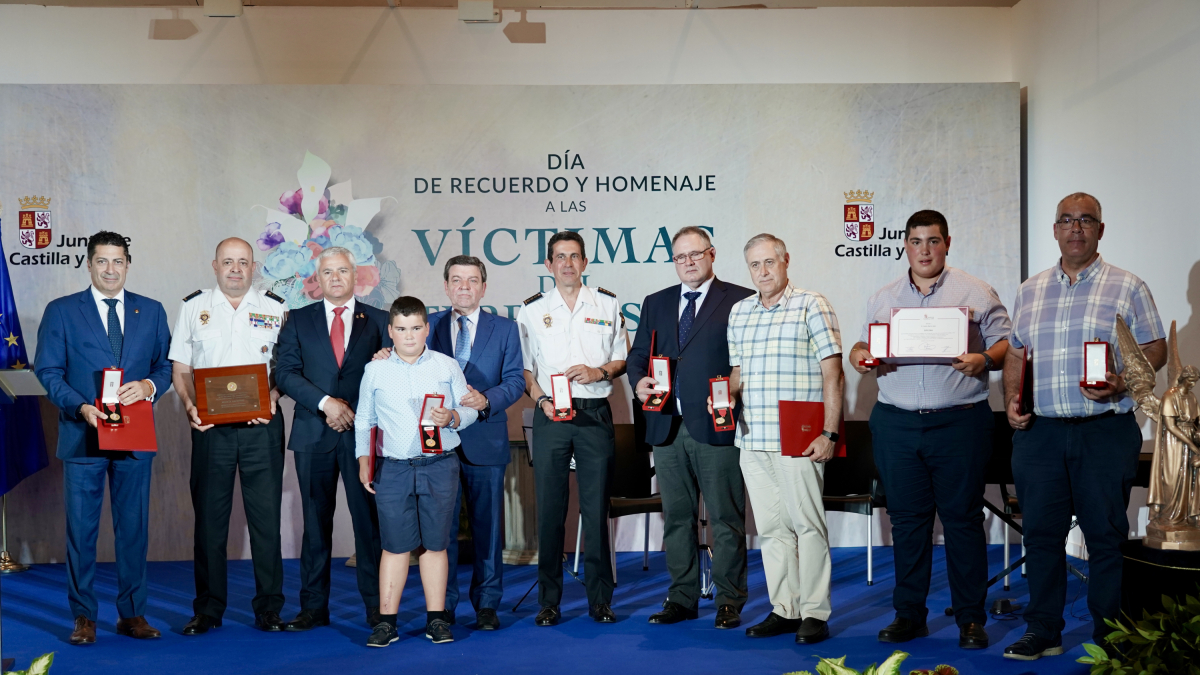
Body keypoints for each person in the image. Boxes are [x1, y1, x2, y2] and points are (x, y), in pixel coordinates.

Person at [1002, 192, 1166, 661]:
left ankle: (1111, 633)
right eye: (1067, 220)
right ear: (1055, 230)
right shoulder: (1030, 289)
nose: (1076, 228)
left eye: (1086, 220)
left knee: (1105, 535)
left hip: (1104, 431)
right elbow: (1016, 351)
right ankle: (1043, 630)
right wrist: (1012, 400)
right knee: (1041, 534)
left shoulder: (1128, 286)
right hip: (1041, 434)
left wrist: (1123, 381)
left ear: (1100, 230)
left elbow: (1155, 347)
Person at [848, 210, 1010, 650]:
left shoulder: (975, 291)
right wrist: (861, 355)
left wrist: (986, 360)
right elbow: (863, 345)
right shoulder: (884, 296)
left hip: (959, 422)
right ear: (905, 245)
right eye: (916, 241)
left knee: (961, 521)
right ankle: (909, 615)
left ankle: (971, 620)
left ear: (947, 243)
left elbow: (1005, 342)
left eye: (933, 241)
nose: (924, 249)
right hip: (897, 421)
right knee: (907, 523)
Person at [34, 231, 173, 645]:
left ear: (128, 264)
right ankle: (84, 617)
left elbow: (165, 366)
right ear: (89, 264)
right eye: (102, 262)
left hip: (135, 433)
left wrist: (149, 386)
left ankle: (132, 614)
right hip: (83, 432)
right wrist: (80, 407)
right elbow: (48, 371)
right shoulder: (61, 311)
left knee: (133, 528)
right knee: (82, 530)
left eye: (118, 261)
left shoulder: (151, 311)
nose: (110, 269)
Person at [627, 226, 754, 629]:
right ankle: (681, 597)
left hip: (716, 423)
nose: (688, 263)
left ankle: (729, 601)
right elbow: (636, 357)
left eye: (695, 254)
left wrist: (733, 388)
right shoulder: (656, 302)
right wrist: (638, 382)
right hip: (666, 425)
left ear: (712, 254)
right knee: (677, 517)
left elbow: (747, 360)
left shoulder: (739, 299)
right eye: (680, 257)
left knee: (725, 517)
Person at [722, 233, 843, 645]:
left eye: (769, 262)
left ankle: (814, 612)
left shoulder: (813, 303)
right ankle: (785, 608)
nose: (763, 272)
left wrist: (830, 432)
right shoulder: (739, 312)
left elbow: (833, 374)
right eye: (755, 265)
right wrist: (721, 397)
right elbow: (737, 375)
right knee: (772, 529)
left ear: (786, 260)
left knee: (807, 526)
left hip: (799, 438)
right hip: (751, 438)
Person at [169, 237, 288, 635]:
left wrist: (271, 398)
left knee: (266, 522)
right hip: (210, 429)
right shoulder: (193, 307)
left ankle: (269, 608)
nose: (235, 269)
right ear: (214, 266)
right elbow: (181, 367)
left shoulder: (277, 308)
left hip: (262, 429)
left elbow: (287, 370)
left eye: (243, 262)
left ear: (254, 267)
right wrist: (189, 405)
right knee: (209, 522)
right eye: (228, 262)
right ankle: (208, 609)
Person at [274, 247, 390, 631]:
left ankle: (377, 609)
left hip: (364, 435)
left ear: (355, 275)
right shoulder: (297, 320)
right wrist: (327, 404)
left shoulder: (380, 320)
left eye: (343, 270)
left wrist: (352, 410)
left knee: (368, 525)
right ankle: (312, 608)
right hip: (313, 433)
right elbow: (286, 374)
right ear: (317, 279)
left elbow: (389, 376)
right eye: (328, 272)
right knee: (314, 525)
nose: (336, 278)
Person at [517, 231, 628, 626]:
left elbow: (622, 360)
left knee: (596, 509)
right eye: (559, 257)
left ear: (584, 263)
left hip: (594, 413)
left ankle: (600, 598)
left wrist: (599, 371)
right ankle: (549, 600)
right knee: (550, 510)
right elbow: (526, 370)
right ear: (548, 265)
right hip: (551, 415)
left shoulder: (608, 304)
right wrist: (541, 400)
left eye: (574, 256)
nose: (567, 263)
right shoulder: (531, 310)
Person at [355, 296, 478, 647]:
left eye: (416, 328)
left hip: (439, 465)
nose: (409, 336)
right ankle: (386, 622)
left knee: (436, 545)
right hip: (392, 468)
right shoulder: (375, 370)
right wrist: (364, 459)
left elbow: (467, 409)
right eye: (401, 329)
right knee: (394, 547)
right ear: (391, 332)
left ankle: (436, 620)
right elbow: (365, 419)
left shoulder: (446, 366)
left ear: (426, 328)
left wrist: (453, 417)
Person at [426, 255, 525, 631]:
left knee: (488, 527)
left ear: (484, 287)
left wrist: (487, 401)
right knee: (443, 531)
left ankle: (486, 605)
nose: (464, 286)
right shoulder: (428, 326)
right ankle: (443, 606)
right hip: (438, 443)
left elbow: (515, 380)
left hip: (486, 439)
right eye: (456, 280)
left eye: (472, 280)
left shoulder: (505, 328)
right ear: (446, 286)